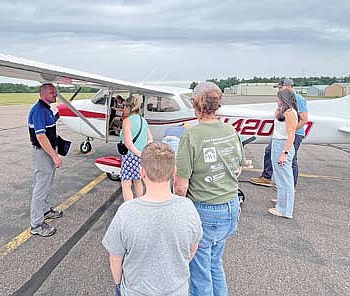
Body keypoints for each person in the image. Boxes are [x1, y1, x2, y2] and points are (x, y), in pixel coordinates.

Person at [174, 81, 246, 296]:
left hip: (206, 211)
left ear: (196, 105)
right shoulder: (230, 130)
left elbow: (180, 184)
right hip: (231, 206)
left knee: (199, 271)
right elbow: (238, 168)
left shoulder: (191, 135)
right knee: (215, 263)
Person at [102, 142, 203, 296]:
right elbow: (193, 248)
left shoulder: (126, 212)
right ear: (174, 171)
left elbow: (115, 258)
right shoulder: (188, 207)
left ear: (142, 172)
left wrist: (118, 285)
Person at [250, 78, 308, 187]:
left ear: (289, 86)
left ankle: (290, 185)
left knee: (291, 159)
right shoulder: (283, 100)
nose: (279, 90)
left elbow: (304, 119)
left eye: (281, 87)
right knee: (270, 151)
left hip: (293, 134)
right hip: (283, 135)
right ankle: (267, 177)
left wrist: (290, 131)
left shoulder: (298, 98)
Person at [27, 83, 64, 237]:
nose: (55, 94)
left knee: (45, 184)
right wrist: (55, 156)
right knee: (41, 187)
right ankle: (36, 224)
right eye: (51, 92)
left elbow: (49, 125)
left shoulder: (46, 109)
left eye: (55, 92)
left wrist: (60, 114)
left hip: (47, 151)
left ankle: (45, 210)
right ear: (42, 94)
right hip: (43, 152)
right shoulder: (39, 110)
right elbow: (41, 136)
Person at [268, 89, 299, 218]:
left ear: (284, 99)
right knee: (280, 178)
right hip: (277, 143)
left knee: (285, 179)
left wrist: (284, 153)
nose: (276, 100)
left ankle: (284, 210)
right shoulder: (284, 111)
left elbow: (291, 134)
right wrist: (279, 106)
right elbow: (276, 116)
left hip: (283, 145)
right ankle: (281, 203)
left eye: (278, 98)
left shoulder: (290, 113)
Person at [119, 95, 153, 201]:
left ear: (129, 107)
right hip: (141, 157)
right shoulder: (143, 120)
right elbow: (150, 139)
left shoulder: (127, 121)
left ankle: (129, 208)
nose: (123, 108)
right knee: (138, 181)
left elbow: (129, 145)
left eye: (124, 106)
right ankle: (140, 204)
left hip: (130, 157)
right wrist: (143, 153)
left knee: (126, 184)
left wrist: (139, 154)